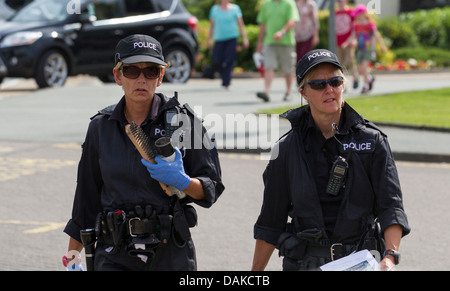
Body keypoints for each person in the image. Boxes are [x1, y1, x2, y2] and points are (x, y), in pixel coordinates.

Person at [63, 34, 225, 271]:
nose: (141, 79)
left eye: (150, 71)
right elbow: (85, 201)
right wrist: (72, 258)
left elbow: (211, 188)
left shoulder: (184, 122)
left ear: (160, 76)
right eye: (131, 71)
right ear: (117, 75)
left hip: (170, 253)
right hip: (113, 253)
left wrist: (182, 181)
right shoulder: (100, 127)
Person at [251, 49, 410, 271]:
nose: (329, 90)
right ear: (304, 93)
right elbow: (271, 221)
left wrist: (390, 257)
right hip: (304, 263)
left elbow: (391, 206)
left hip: (360, 261)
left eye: (335, 81)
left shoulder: (372, 141)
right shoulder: (286, 149)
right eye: (319, 84)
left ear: (343, 84)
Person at [256, 0, 300, 102]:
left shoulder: (289, 3)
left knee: (288, 69)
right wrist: (259, 42)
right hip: (269, 41)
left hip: (286, 42)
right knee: (268, 66)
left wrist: (282, 32)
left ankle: (288, 92)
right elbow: (262, 25)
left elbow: (292, 21)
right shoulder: (266, 4)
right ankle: (266, 92)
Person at [342, 4, 387, 94]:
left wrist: (382, 45)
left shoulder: (369, 24)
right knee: (360, 69)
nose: (357, 16)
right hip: (359, 49)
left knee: (364, 67)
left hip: (368, 48)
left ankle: (365, 86)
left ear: (363, 14)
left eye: (359, 14)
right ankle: (369, 78)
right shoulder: (356, 25)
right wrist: (347, 42)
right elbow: (353, 36)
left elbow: (376, 35)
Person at [207, 0, 249, 90]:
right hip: (218, 39)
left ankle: (226, 82)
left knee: (229, 60)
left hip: (231, 38)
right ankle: (224, 77)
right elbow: (211, 26)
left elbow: (241, 24)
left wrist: (245, 38)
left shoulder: (235, 8)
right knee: (217, 61)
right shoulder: (214, 9)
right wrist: (209, 39)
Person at [335, 0, 358, 90]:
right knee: (340, 63)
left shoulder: (351, 12)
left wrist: (352, 40)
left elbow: (354, 28)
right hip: (339, 41)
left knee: (350, 61)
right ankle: (343, 82)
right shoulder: (335, 13)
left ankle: (356, 78)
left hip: (349, 41)